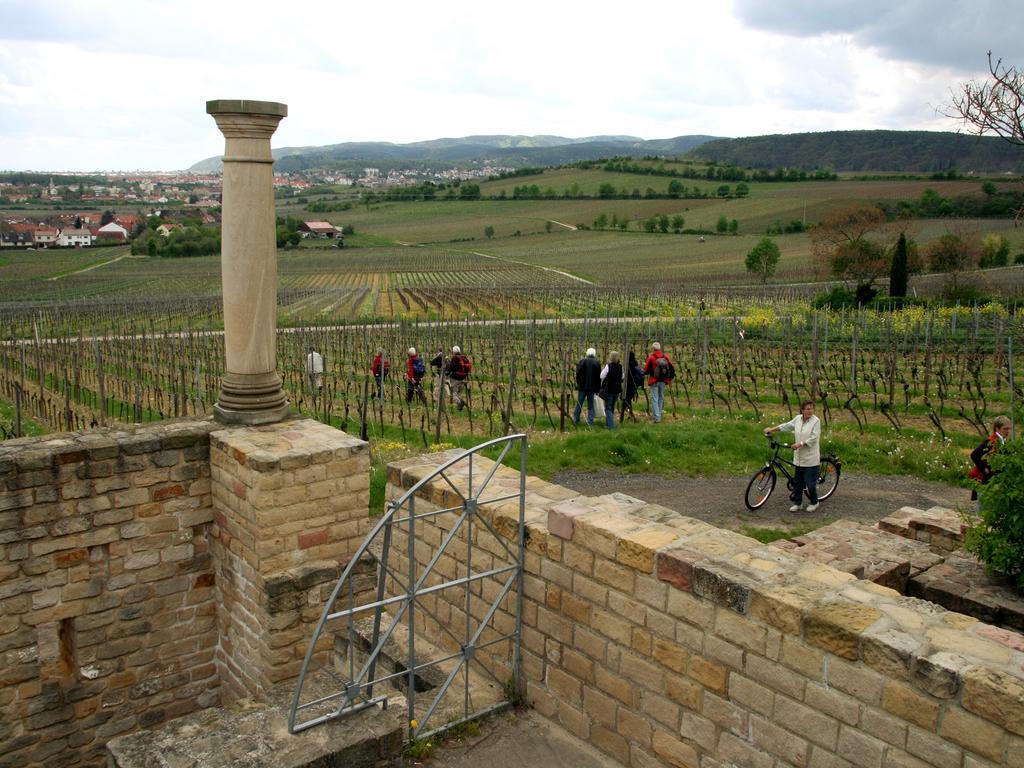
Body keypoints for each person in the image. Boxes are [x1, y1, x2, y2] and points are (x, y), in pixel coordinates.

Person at [764, 400, 822, 512]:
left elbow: (814, 438)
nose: (810, 411)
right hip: (799, 456)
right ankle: (798, 503)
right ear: (802, 410)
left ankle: (815, 502)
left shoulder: (816, 421)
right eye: (807, 409)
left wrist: (800, 443)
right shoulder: (798, 419)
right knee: (798, 482)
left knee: (810, 483)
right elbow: (787, 426)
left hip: (811, 457)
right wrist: (772, 429)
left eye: (811, 408)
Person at [968, 415, 1012, 506]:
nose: (1008, 431)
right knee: (983, 510)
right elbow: (974, 455)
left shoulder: (1003, 441)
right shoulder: (991, 441)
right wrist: (985, 470)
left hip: (995, 481)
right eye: (1005, 429)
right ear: (997, 428)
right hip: (985, 481)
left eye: (1009, 429)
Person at [643, 342, 675, 423]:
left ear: (653, 349)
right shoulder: (666, 357)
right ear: (660, 348)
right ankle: (658, 415)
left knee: (654, 399)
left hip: (654, 380)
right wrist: (669, 379)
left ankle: (657, 418)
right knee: (661, 398)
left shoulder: (651, 358)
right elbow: (671, 368)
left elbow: (645, 370)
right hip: (663, 381)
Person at [573, 348, 601, 427]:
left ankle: (575, 420)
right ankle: (590, 422)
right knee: (591, 405)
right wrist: (597, 389)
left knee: (579, 403)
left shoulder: (582, 361)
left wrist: (578, 383)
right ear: (594, 354)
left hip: (582, 387)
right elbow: (598, 378)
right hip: (592, 388)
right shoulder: (597, 363)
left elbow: (578, 374)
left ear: (587, 353)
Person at [600, 351, 623, 429]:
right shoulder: (620, 367)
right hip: (617, 390)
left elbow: (601, 376)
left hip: (609, 389)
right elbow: (622, 377)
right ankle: (608, 424)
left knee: (608, 408)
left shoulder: (608, 366)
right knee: (612, 407)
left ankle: (611, 426)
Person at [621, 350, 645, 422]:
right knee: (628, 400)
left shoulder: (628, 365)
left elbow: (625, 376)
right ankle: (630, 414)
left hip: (628, 385)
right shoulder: (635, 363)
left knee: (624, 399)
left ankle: (631, 415)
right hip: (634, 385)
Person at [446, 345, 472, 410]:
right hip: (463, 377)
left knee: (453, 394)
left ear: (453, 352)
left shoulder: (455, 358)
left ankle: (460, 402)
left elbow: (451, 367)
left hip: (455, 378)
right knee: (459, 393)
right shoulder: (464, 357)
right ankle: (460, 407)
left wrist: (447, 373)